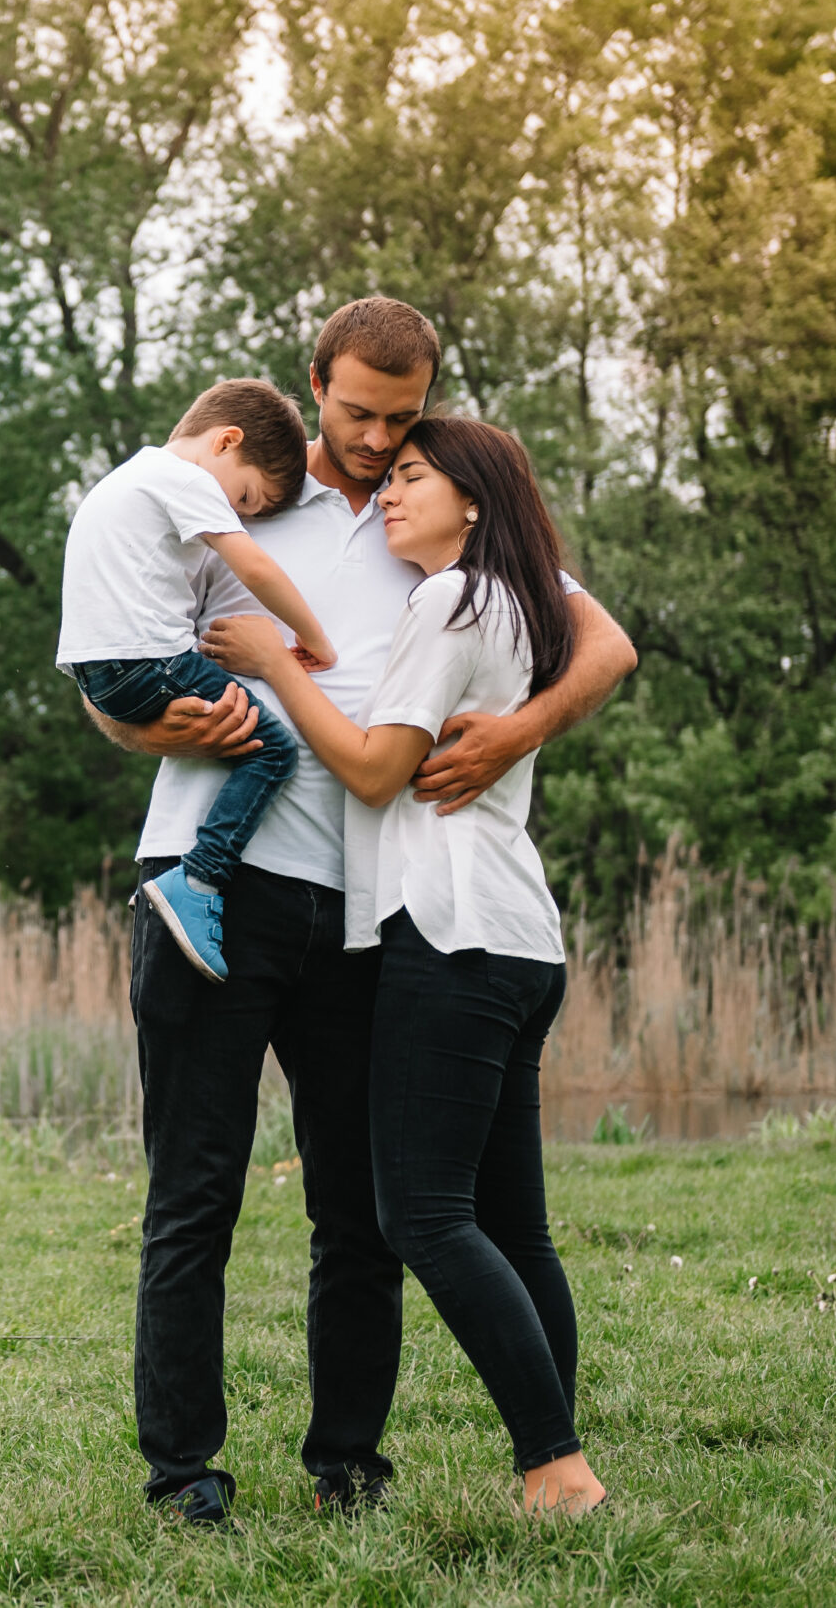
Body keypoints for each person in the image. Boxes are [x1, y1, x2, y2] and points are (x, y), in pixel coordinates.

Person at [83, 298, 637, 1525]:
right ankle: (184, 1473)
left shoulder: (431, 506)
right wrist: (139, 720)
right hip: (209, 878)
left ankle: (346, 1461)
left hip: (358, 907)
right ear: (314, 385)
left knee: (361, 1205)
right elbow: (116, 662)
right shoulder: (236, 495)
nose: (381, 442)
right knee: (195, 1192)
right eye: (357, 413)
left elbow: (602, 644)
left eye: (401, 416)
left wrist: (516, 732)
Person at [202, 415, 612, 1514]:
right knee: (512, 1223)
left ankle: (556, 1463)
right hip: (520, 936)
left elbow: (378, 773)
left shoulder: (447, 594)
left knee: (421, 1215)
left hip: (445, 930)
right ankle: (554, 1451)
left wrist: (277, 665)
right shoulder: (518, 602)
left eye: (415, 474)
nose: (390, 486)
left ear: (472, 499)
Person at [57, 380, 336, 981]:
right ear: (226, 442)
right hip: (148, 662)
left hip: (96, 674)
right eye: (244, 498)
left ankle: (176, 888)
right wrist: (313, 639)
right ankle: (198, 879)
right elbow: (256, 567)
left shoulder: (124, 479)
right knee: (275, 753)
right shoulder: (186, 478)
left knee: (247, 738)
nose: (236, 515)